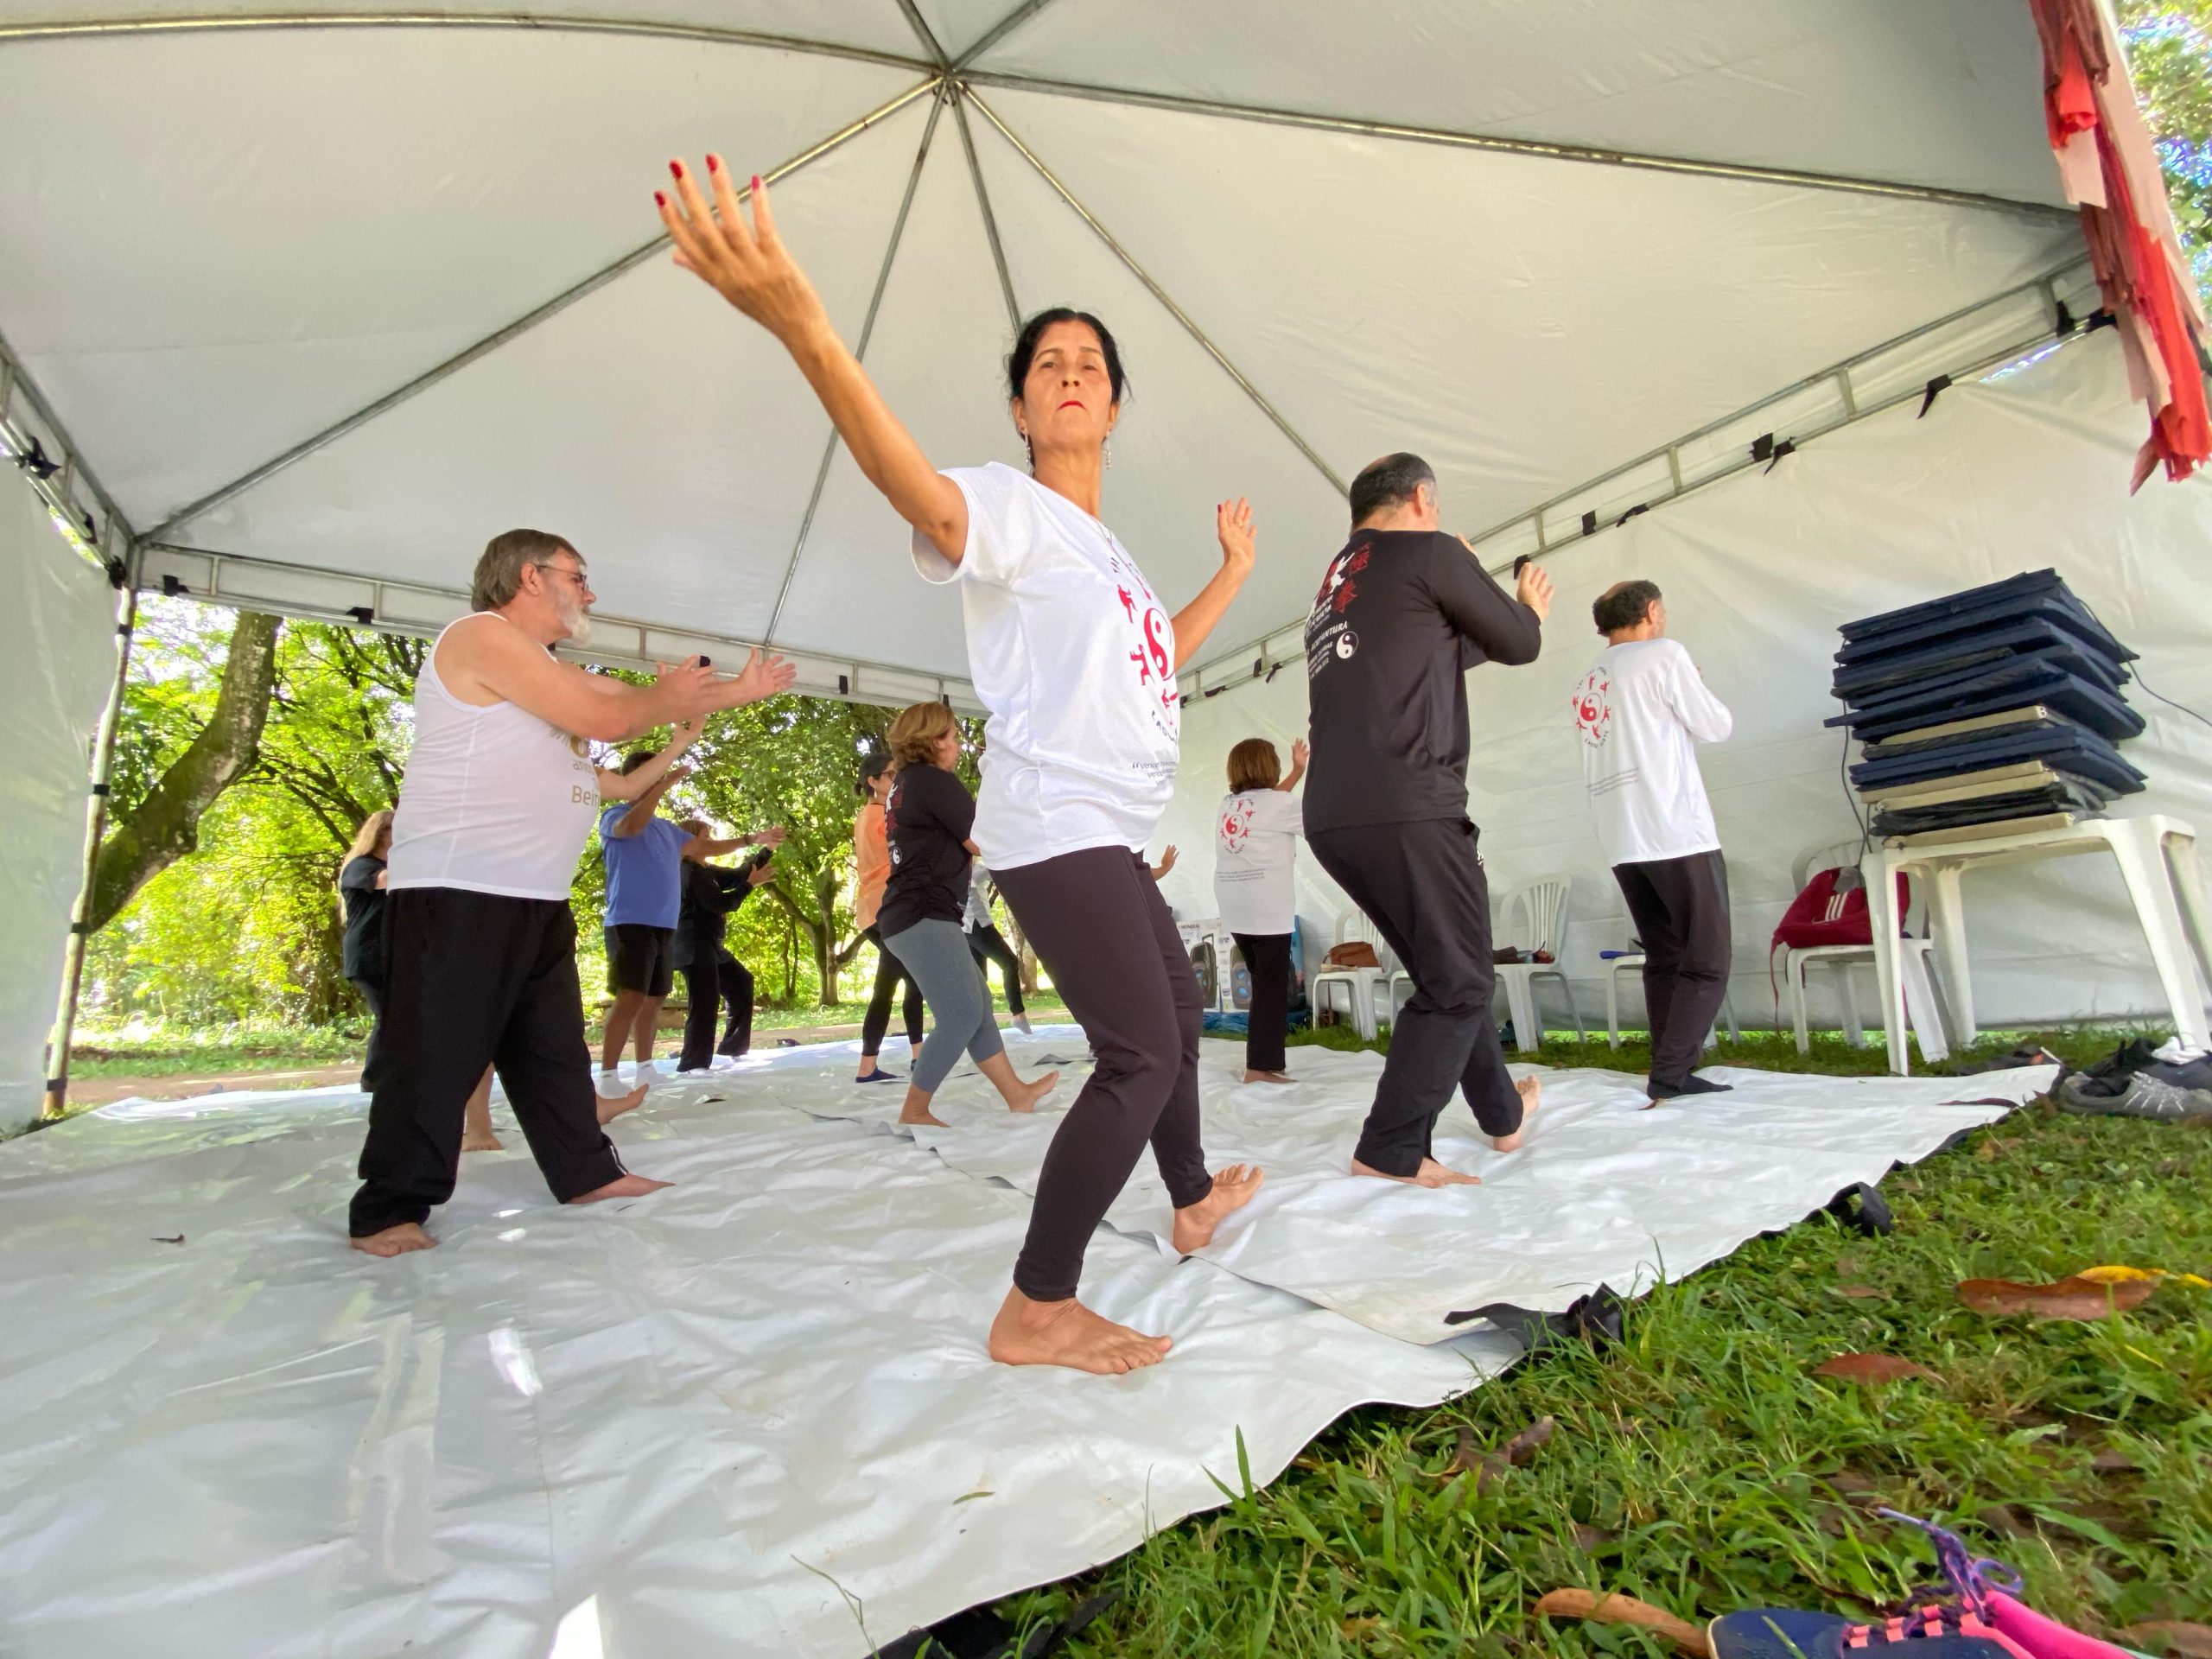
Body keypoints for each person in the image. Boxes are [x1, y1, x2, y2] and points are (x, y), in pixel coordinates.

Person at [658, 158, 1262, 1372]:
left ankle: (1191, 1199)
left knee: (1175, 1023)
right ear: (1025, 412)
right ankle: (1037, 1305)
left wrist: (1235, 575)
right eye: (1048, 365)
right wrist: (805, 328)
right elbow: (922, 497)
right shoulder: (1009, 509)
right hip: (1056, 825)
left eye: (1091, 363)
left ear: (1115, 405)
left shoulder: (1110, 556)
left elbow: (1160, 652)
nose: (1072, 373)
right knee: (1139, 1053)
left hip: (1109, 831)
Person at [346, 527, 794, 1257]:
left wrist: (730, 697)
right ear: (530, 576)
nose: (590, 592)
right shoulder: (479, 637)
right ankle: (387, 1209)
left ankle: (586, 1171)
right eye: (577, 577)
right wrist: (665, 699)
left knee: (551, 1052)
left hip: (535, 899)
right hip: (459, 892)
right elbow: (611, 717)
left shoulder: (550, 671)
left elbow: (620, 713)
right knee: (431, 1056)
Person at [1302, 453, 1554, 1188]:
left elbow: (1430, 654)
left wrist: (1467, 589)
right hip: (1406, 801)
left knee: (1449, 969)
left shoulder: (1336, 586)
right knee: (1461, 982)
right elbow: (1519, 642)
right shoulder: (1432, 552)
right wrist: (1521, 603)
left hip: (1335, 814)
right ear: (1421, 498)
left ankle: (1502, 1115)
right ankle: (1389, 1149)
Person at [1573, 579, 1735, 1102]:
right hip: (1674, 829)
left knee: (1664, 954)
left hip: (1622, 835)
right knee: (1707, 957)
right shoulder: (1664, 655)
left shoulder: (1588, 679)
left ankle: (1669, 1067)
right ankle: (1672, 1072)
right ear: (1651, 611)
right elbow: (1716, 726)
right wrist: (1694, 686)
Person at [877, 701, 1059, 1127]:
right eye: (953, 738)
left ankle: (1017, 1094)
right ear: (932, 742)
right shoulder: (933, 781)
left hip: (914, 913)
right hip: (923, 913)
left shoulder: (906, 783)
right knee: (960, 1015)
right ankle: (914, 1110)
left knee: (976, 1006)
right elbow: (981, 840)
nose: (958, 746)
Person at [597, 757, 781, 1094]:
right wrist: (659, 786)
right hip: (629, 921)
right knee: (630, 997)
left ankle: (645, 1069)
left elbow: (706, 847)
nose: (659, 781)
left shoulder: (667, 830)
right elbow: (631, 827)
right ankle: (608, 1076)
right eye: (653, 776)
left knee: (654, 998)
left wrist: (753, 839)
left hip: (663, 926)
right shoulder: (615, 816)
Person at [342, 808, 503, 1152]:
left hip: (401, 957)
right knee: (394, 1022)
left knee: (404, 1023)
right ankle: (377, 1083)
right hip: (371, 956)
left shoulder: (404, 870)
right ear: (380, 834)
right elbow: (387, 880)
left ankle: (390, 1085)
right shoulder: (361, 866)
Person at [1213, 736, 1309, 1084]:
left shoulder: (1229, 805)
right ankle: (1259, 1068)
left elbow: (1268, 805)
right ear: (1270, 766)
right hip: (1266, 907)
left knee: (1264, 982)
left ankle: (1265, 1061)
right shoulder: (1281, 805)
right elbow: (1318, 820)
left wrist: (1297, 772)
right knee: (1272, 988)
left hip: (1234, 905)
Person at [672, 817, 776, 1072]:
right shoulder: (689, 871)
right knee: (704, 1003)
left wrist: (769, 848)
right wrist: (751, 886)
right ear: (689, 842)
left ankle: (732, 1048)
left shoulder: (704, 869)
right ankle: (692, 1064)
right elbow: (721, 903)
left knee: (740, 983)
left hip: (709, 945)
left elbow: (737, 875)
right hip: (693, 945)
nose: (711, 843)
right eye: (706, 838)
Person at [853, 751, 926, 1084]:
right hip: (887, 908)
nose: (897, 779)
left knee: (912, 982)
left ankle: (918, 1056)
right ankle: (868, 1067)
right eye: (890, 774)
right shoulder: (880, 817)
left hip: (876, 909)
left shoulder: (867, 816)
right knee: (887, 987)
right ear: (873, 781)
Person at [963, 863, 1030, 1034]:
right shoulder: (972, 870)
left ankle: (979, 1021)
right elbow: (998, 869)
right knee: (1009, 962)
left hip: (969, 927)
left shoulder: (963, 869)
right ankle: (1018, 1014)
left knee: (980, 976)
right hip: (978, 924)